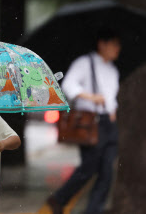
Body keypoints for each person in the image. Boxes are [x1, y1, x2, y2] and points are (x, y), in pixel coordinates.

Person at [47, 28, 120, 214]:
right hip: (90, 123)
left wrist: (112, 110)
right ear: (102, 44)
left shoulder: (113, 70)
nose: (117, 49)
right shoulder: (85, 63)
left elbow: (111, 97)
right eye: (114, 44)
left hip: (108, 124)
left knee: (107, 173)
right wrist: (91, 97)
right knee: (89, 167)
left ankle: (93, 210)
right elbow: (69, 84)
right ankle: (59, 199)